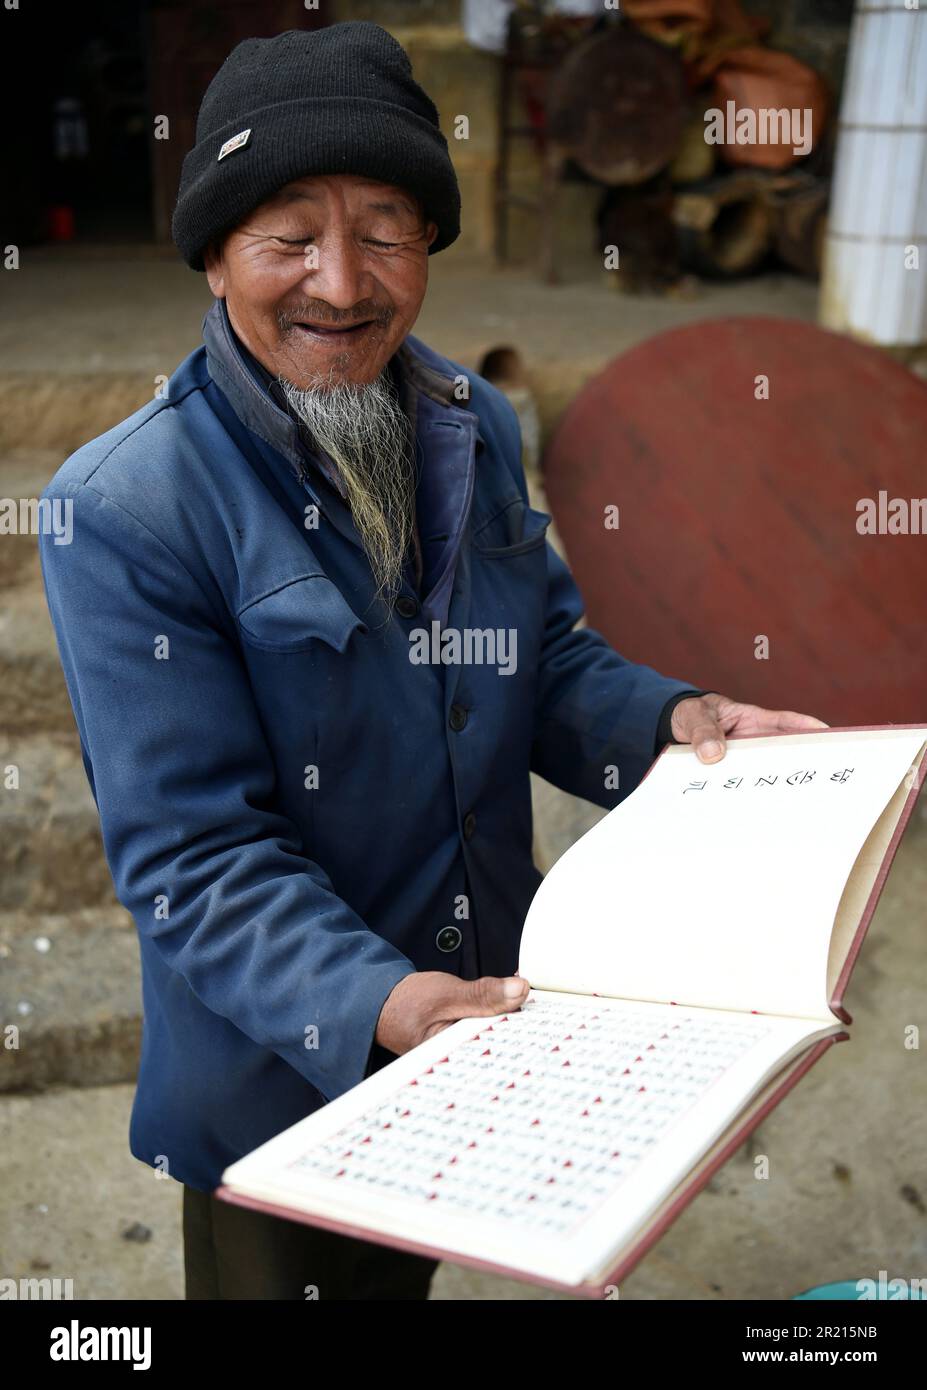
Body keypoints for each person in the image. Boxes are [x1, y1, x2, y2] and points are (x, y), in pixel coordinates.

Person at [38, 21, 826, 1300]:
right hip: (289, 1076)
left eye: (386, 229)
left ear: (430, 247)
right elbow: (193, 856)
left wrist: (683, 723)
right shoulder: (128, 509)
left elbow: (543, 659)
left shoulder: (472, 418)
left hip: (479, 1026)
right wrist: (382, 1004)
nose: (342, 283)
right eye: (288, 235)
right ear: (213, 259)